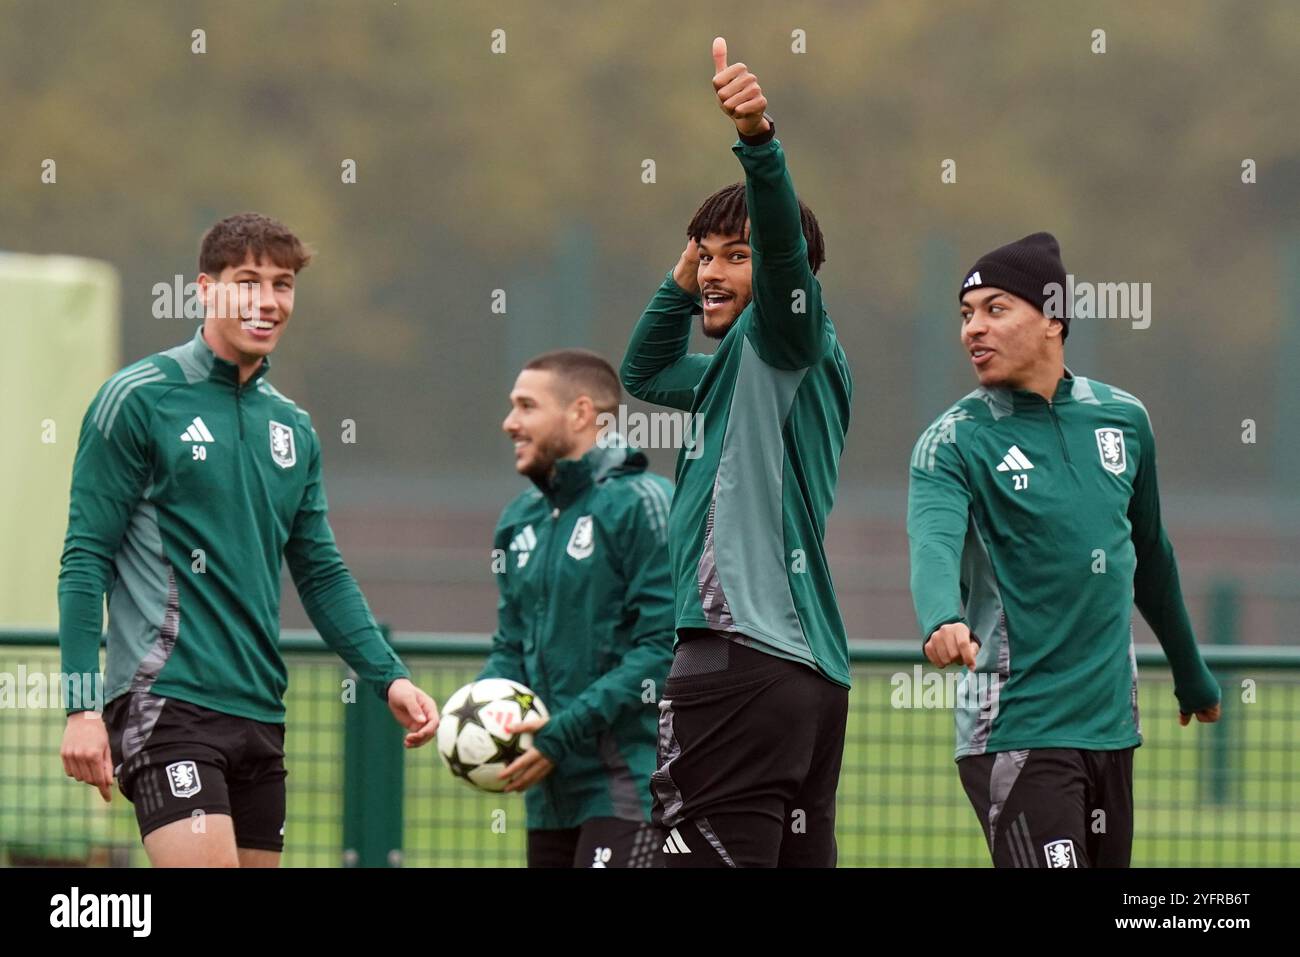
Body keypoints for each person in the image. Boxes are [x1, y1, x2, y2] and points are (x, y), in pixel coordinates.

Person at [58, 212, 440, 867]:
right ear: (204, 289)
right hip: (167, 702)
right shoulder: (138, 399)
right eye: (247, 281)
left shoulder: (293, 427)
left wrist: (389, 677)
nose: (267, 301)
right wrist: (80, 706)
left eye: (283, 284)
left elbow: (320, 572)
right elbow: (85, 557)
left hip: (260, 711)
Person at [907, 231, 1222, 868]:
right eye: (966, 315)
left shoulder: (1124, 418)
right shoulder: (952, 440)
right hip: (1018, 732)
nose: (974, 329)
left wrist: (1190, 673)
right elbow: (933, 538)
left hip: (1111, 732)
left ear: (1053, 319)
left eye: (996, 309)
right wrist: (942, 615)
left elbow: (1150, 555)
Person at [620, 38, 854, 867]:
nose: (714, 273)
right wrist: (687, 271)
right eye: (706, 255)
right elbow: (643, 369)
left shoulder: (786, 334)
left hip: (737, 656)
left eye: (737, 255)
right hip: (804, 680)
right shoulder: (737, 369)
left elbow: (787, 253)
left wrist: (759, 140)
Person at [482, 349, 674, 868]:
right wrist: (483, 710)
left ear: (581, 413)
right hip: (548, 795)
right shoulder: (519, 520)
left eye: (526, 406)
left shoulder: (642, 502)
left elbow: (663, 649)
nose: (510, 423)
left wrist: (560, 733)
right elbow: (511, 643)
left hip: (627, 787)